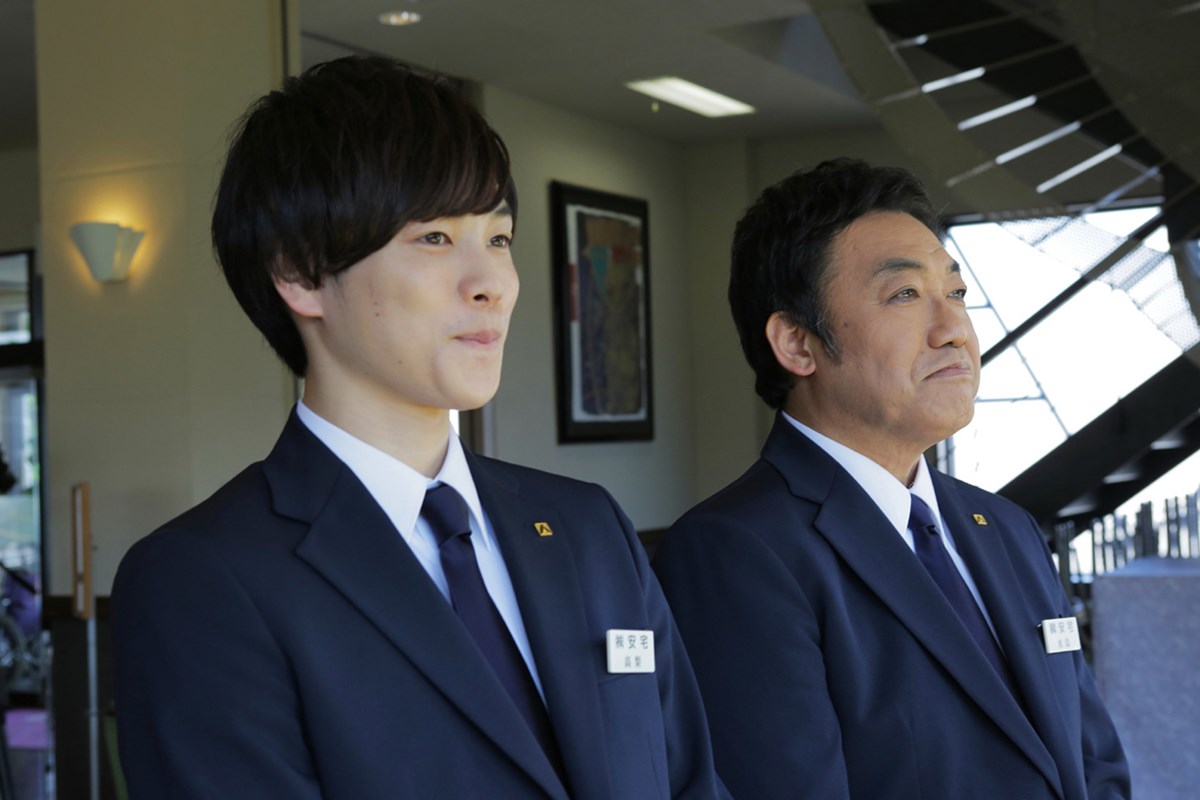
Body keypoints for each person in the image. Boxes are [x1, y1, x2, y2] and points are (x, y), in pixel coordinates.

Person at [113, 56, 726, 800]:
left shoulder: (587, 527)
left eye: (498, 238)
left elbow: (691, 782)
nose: (493, 283)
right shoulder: (204, 579)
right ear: (301, 274)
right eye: (434, 238)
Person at [652, 158, 1131, 800]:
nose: (954, 330)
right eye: (905, 294)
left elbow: (1095, 764)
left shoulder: (1005, 528)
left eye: (955, 293)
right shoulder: (734, 551)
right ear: (797, 343)